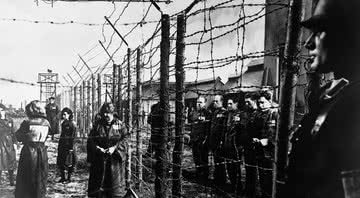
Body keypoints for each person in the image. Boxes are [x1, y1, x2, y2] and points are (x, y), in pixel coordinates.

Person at [284, 0, 360, 197]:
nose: (309, 42)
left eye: (319, 31)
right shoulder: (333, 95)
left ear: (348, 33)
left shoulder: (353, 104)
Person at [87, 102, 128, 198]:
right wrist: (97, 148)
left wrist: (115, 148)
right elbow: (91, 140)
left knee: (114, 190)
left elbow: (125, 139)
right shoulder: (97, 125)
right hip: (99, 160)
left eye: (108, 112)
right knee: (97, 189)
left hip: (115, 163)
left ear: (113, 113)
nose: (106, 115)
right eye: (104, 113)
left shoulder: (120, 125)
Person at [15, 100, 50, 198]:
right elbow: (47, 136)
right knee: (40, 177)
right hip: (42, 151)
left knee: (26, 178)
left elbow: (18, 136)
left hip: (29, 151)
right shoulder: (46, 122)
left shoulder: (27, 122)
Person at [223, 96, 243, 194]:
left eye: (231, 104)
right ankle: (232, 185)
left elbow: (240, 131)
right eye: (227, 104)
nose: (229, 106)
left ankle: (237, 187)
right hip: (227, 144)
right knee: (229, 167)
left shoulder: (240, 115)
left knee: (236, 168)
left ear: (236, 104)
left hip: (235, 145)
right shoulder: (227, 115)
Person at [242, 92, 260, 198]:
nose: (247, 104)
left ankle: (255, 192)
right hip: (247, 145)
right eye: (245, 102)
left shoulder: (258, 113)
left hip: (256, 145)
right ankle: (249, 190)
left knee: (256, 170)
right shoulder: (247, 113)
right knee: (248, 169)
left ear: (254, 101)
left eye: (248, 102)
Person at [189, 96, 211, 181]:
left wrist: (206, 139)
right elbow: (192, 126)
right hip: (195, 138)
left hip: (202, 139)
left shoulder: (208, 113)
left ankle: (205, 176)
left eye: (201, 102)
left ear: (205, 103)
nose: (198, 104)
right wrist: (191, 137)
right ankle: (198, 173)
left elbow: (208, 128)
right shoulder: (193, 113)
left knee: (204, 158)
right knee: (196, 158)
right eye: (197, 102)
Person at [206, 94, 227, 186]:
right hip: (213, 141)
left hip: (220, 141)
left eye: (216, 101)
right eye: (213, 101)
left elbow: (224, 128)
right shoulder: (214, 112)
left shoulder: (224, 113)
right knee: (216, 160)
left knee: (220, 161)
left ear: (222, 102)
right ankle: (217, 179)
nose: (214, 103)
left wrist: (222, 140)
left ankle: (221, 180)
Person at [56, 107, 77, 183]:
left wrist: (71, 147)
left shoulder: (72, 124)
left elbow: (73, 136)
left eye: (65, 114)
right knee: (61, 161)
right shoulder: (63, 123)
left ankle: (68, 178)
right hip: (62, 145)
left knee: (69, 162)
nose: (64, 116)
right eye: (63, 114)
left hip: (69, 145)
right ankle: (63, 177)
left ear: (69, 115)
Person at [0, 104, 16, 186]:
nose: (0, 111)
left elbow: (13, 132)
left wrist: (15, 142)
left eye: (2, 110)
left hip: (9, 142)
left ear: (4, 110)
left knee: (11, 160)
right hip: (0, 142)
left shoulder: (10, 120)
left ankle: (11, 180)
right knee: (0, 161)